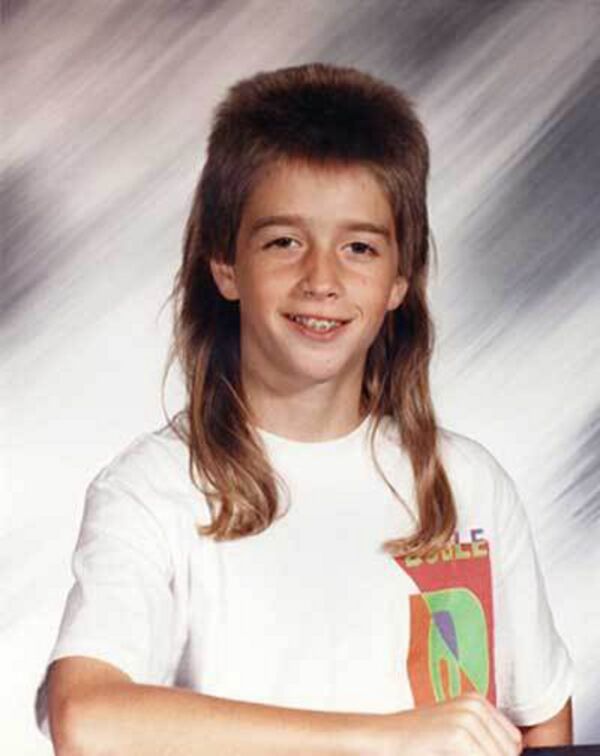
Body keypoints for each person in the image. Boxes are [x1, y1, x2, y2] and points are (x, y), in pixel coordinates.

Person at [36, 63, 574, 755]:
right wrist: (383, 742)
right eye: (284, 242)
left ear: (399, 280)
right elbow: (87, 721)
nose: (322, 279)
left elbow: (542, 719)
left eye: (359, 247)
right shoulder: (153, 491)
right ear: (225, 265)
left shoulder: (468, 485)